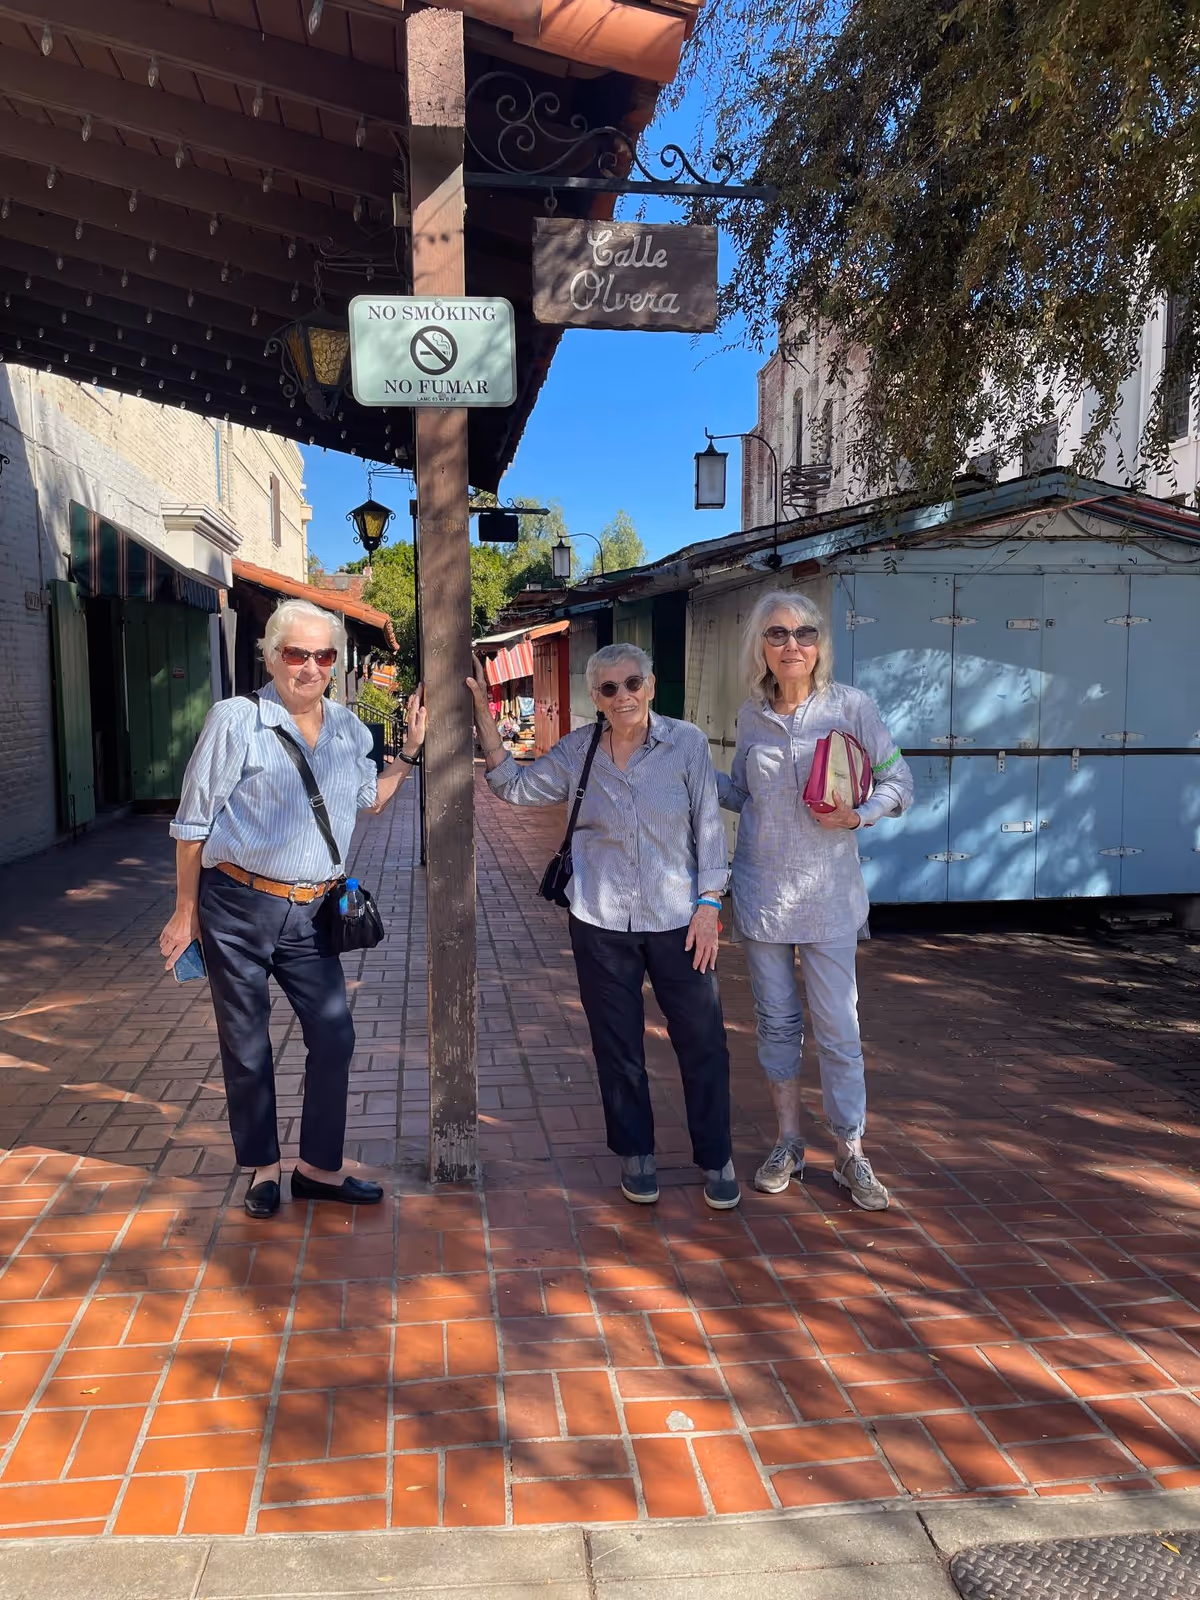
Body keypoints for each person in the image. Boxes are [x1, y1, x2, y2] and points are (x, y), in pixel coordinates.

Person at [158, 599, 427, 1219]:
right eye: (296, 653)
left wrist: (409, 752)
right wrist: (184, 908)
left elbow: (369, 800)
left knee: (334, 1037)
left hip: (311, 914)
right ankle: (262, 1168)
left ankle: (317, 1169)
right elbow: (194, 822)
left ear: (336, 661)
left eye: (323, 654)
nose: (310, 667)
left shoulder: (351, 730)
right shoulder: (236, 720)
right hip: (237, 906)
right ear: (272, 656)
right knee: (247, 1044)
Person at [467, 644, 740, 1209]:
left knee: (704, 1040)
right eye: (610, 688)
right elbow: (514, 788)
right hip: (600, 918)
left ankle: (716, 1155)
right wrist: (485, 723)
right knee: (617, 1044)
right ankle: (635, 1153)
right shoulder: (578, 749)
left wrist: (710, 903)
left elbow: (708, 828)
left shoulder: (686, 743)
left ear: (651, 685)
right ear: (596, 696)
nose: (624, 697)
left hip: (679, 918)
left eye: (633, 683)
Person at [718, 591, 912, 1210]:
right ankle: (790, 1141)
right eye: (777, 635)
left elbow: (900, 781)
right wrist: (686, 766)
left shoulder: (851, 707)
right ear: (762, 646)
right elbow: (742, 793)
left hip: (828, 897)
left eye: (804, 633)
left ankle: (852, 1150)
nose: (792, 645)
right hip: (762, 892)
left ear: (820, 643)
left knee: (837, 1027)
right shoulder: (752, 715)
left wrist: (861, 815)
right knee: (776, 1024)